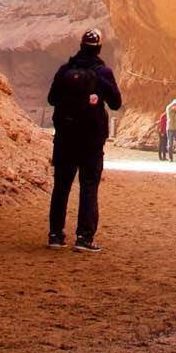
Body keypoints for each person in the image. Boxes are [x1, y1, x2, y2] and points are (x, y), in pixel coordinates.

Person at [44, 29, 120, 251]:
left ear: (80, 46)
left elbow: (52, 99)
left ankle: (55, 235)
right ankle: (84, 238)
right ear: (98, 48)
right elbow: (115, 103)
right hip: (91, 141)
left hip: (65, 138)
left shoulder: (65, 70)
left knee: (61, 187)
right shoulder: (102, 72)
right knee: (88, 187)